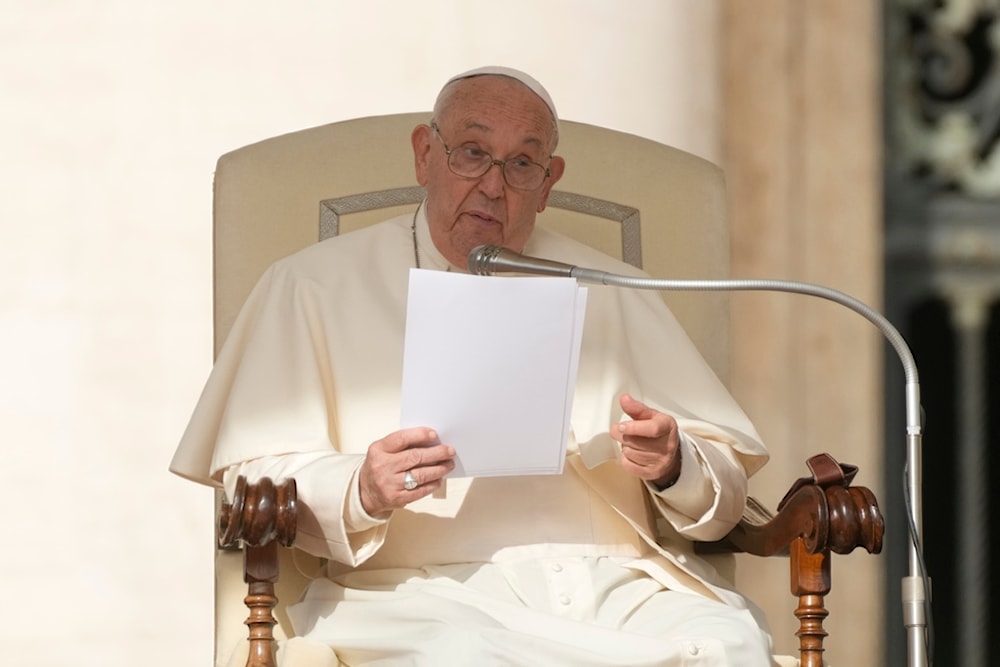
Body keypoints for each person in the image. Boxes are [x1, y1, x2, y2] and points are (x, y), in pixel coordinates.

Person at [171, 66, 774, 666]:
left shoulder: (613, 287)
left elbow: (723, 491)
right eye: (472, 153)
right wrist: (363, 485)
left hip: (614, 584)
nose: (493, 185)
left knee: (730, 644)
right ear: (424, 155)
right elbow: (253, 482)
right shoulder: (309, 285)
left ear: (548, 182)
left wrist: (674, 464)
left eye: (521, 164)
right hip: (421, 593)